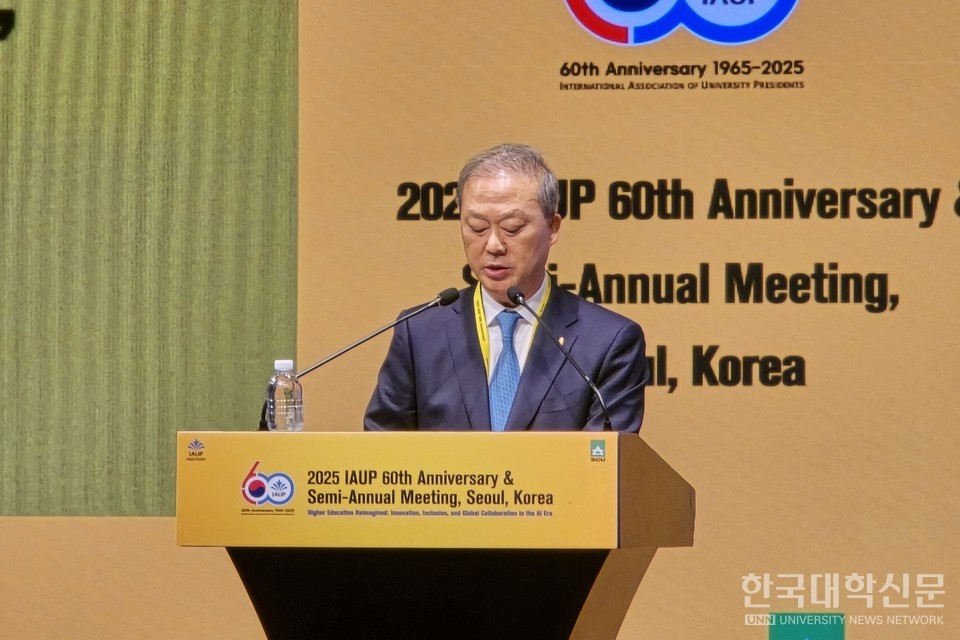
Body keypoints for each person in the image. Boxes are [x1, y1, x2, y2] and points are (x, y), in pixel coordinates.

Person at [363, 143, 647, 432]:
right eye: (476, 227)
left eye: (512, 228)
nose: (493, 245)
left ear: (553, 228)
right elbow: (382, 453)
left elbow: (604, 463)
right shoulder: (420, 333)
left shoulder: (607, 341)